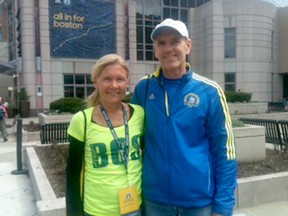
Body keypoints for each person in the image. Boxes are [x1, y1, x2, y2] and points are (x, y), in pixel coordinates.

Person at [132, 18, 237, 216]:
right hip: (155, 202)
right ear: (155, 50)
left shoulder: (210, 91)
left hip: (199, 204)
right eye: (161, 43)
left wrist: (223, 207)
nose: (168, 48)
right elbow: (132, 141)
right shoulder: (144, 88)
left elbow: (225, 152)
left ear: (188, 46)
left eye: (175, 41)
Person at [66, 54, 145, 216]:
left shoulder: (140, 114)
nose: (114, 85)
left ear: (127, 82)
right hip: (97, 210)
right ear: (96, 82)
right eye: (107, 79)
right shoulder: (82, 120)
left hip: (135, 207)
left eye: (120, 79)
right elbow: (73, 171)